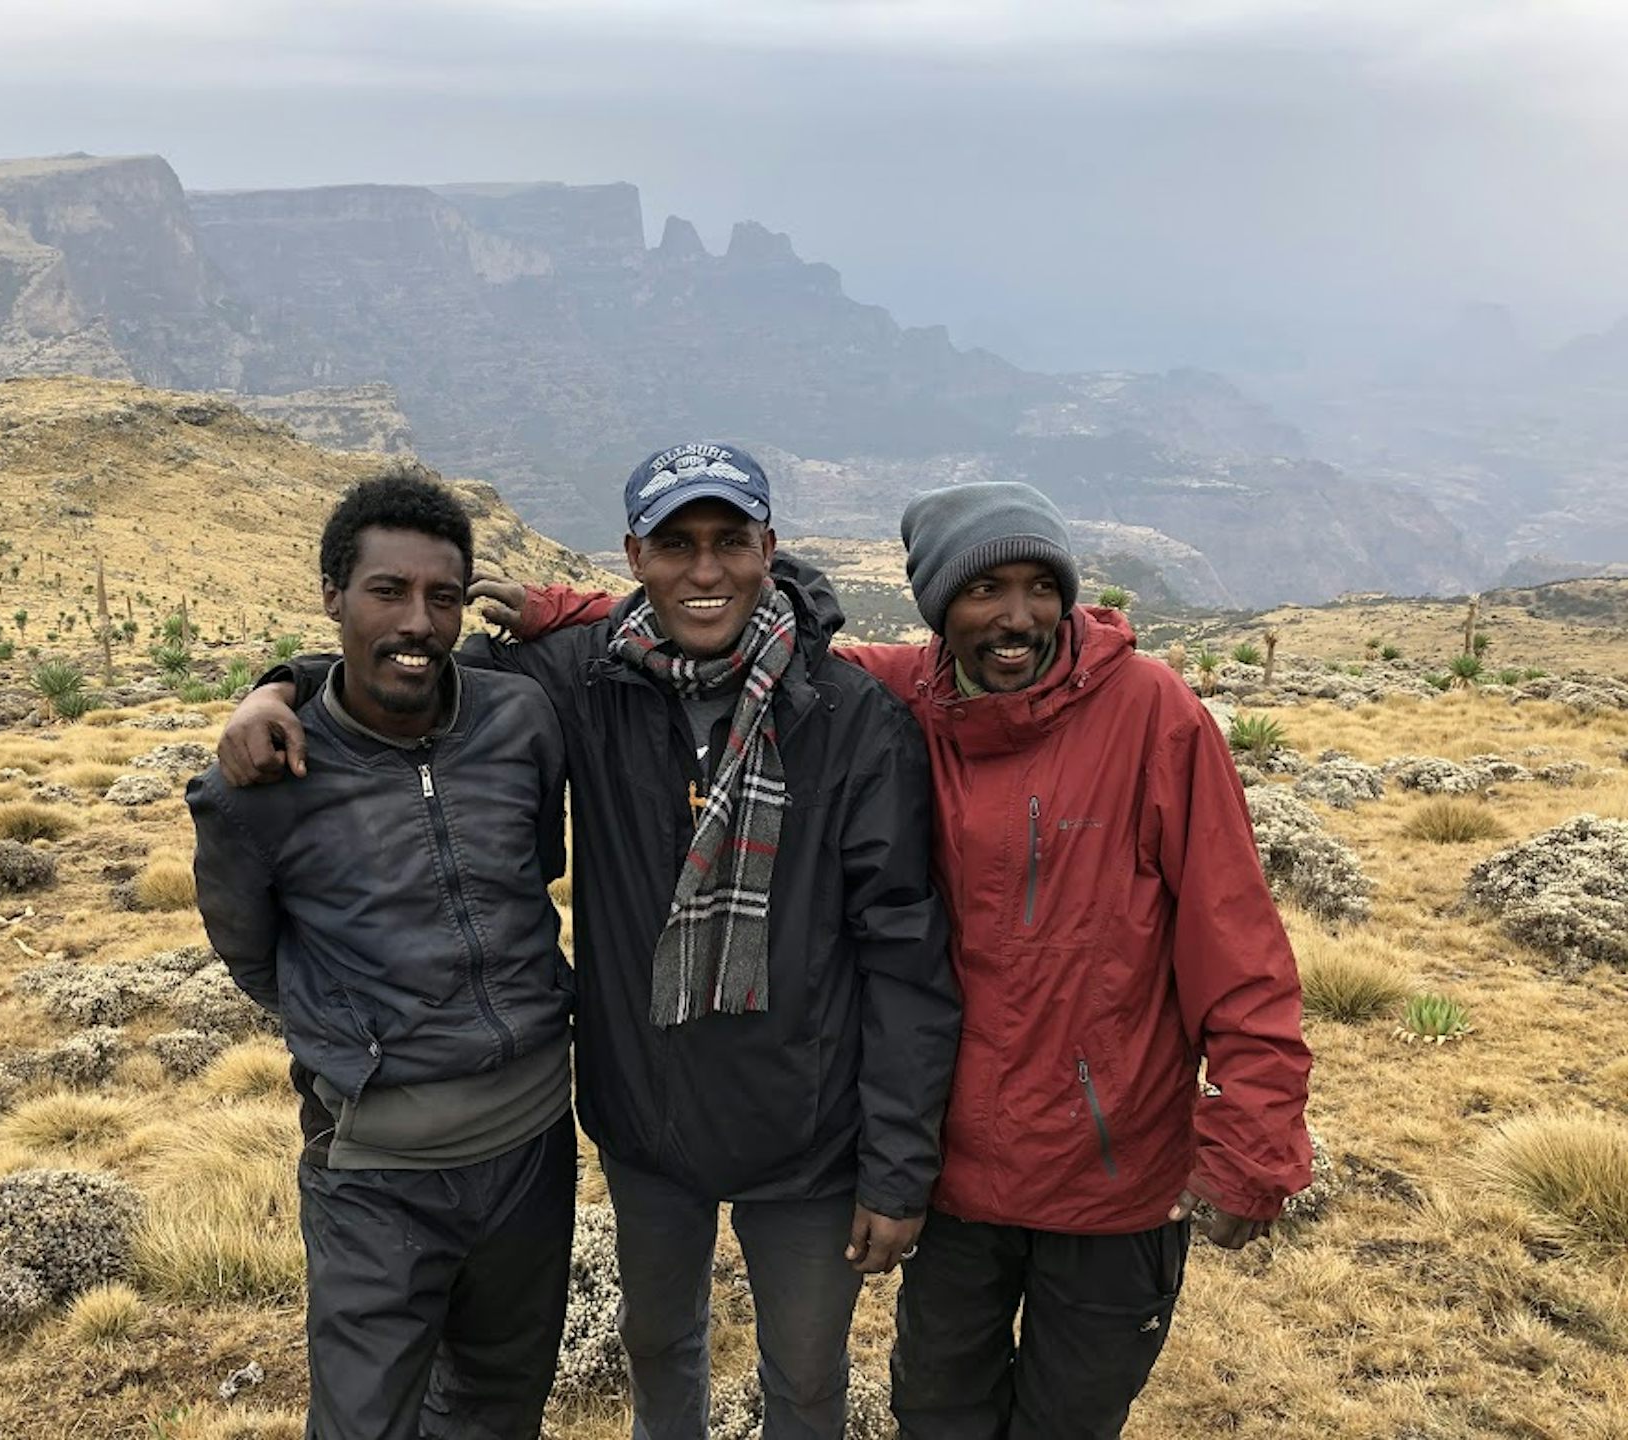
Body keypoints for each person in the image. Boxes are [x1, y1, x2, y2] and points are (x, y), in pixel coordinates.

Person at [457, 480, 1315, 1440]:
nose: (1015, 618)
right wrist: (571, 616)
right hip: (965, 1170)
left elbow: (1235, 940)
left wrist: (1255, 1135)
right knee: (936, 1411)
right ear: (940, 608)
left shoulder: (1153, 715)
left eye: (1041, 587)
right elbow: (728, 625)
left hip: (1110, 1166)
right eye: (984, 592)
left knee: (1067, 1416)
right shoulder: (910, 694)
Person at [220, 442, 961, 1440]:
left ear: (769, 548)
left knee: (807, 1380)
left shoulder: (849, 715)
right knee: (658, 1348)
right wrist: (282, 686)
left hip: (811, 1135)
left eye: (729, 541)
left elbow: (906, 956)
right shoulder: (583, 680)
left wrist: (899, 1165)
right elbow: (409, 666)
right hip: (647, 1121)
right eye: (675, 544)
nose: (705, 570)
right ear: (635, 556)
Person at [187, 470, 577, 1440]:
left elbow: (534, 872)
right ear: (332, 598)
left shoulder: (518, 723)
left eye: (442, 598)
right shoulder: (259, 782)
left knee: (501, 1406)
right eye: (387, 592)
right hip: (375, 1170)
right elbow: (251, 954)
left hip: (532, 1147)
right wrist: (355, 1035)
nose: (418, 621)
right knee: (364, 1422)